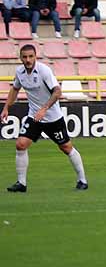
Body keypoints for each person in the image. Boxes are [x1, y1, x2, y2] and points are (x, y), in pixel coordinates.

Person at [2, 44, 88, 192]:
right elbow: (15, 89)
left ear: (35, 56)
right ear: (20, 58)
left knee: (66, 147)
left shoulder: (44, 71)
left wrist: (44, 109)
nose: (28, 60)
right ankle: (21, 183)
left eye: (31, 56)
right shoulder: (20, 72)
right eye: (25, 57)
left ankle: (82, 180)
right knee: (20, 144)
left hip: (53, 118)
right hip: (34, 116)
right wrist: (6, 107)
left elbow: (57, 91)